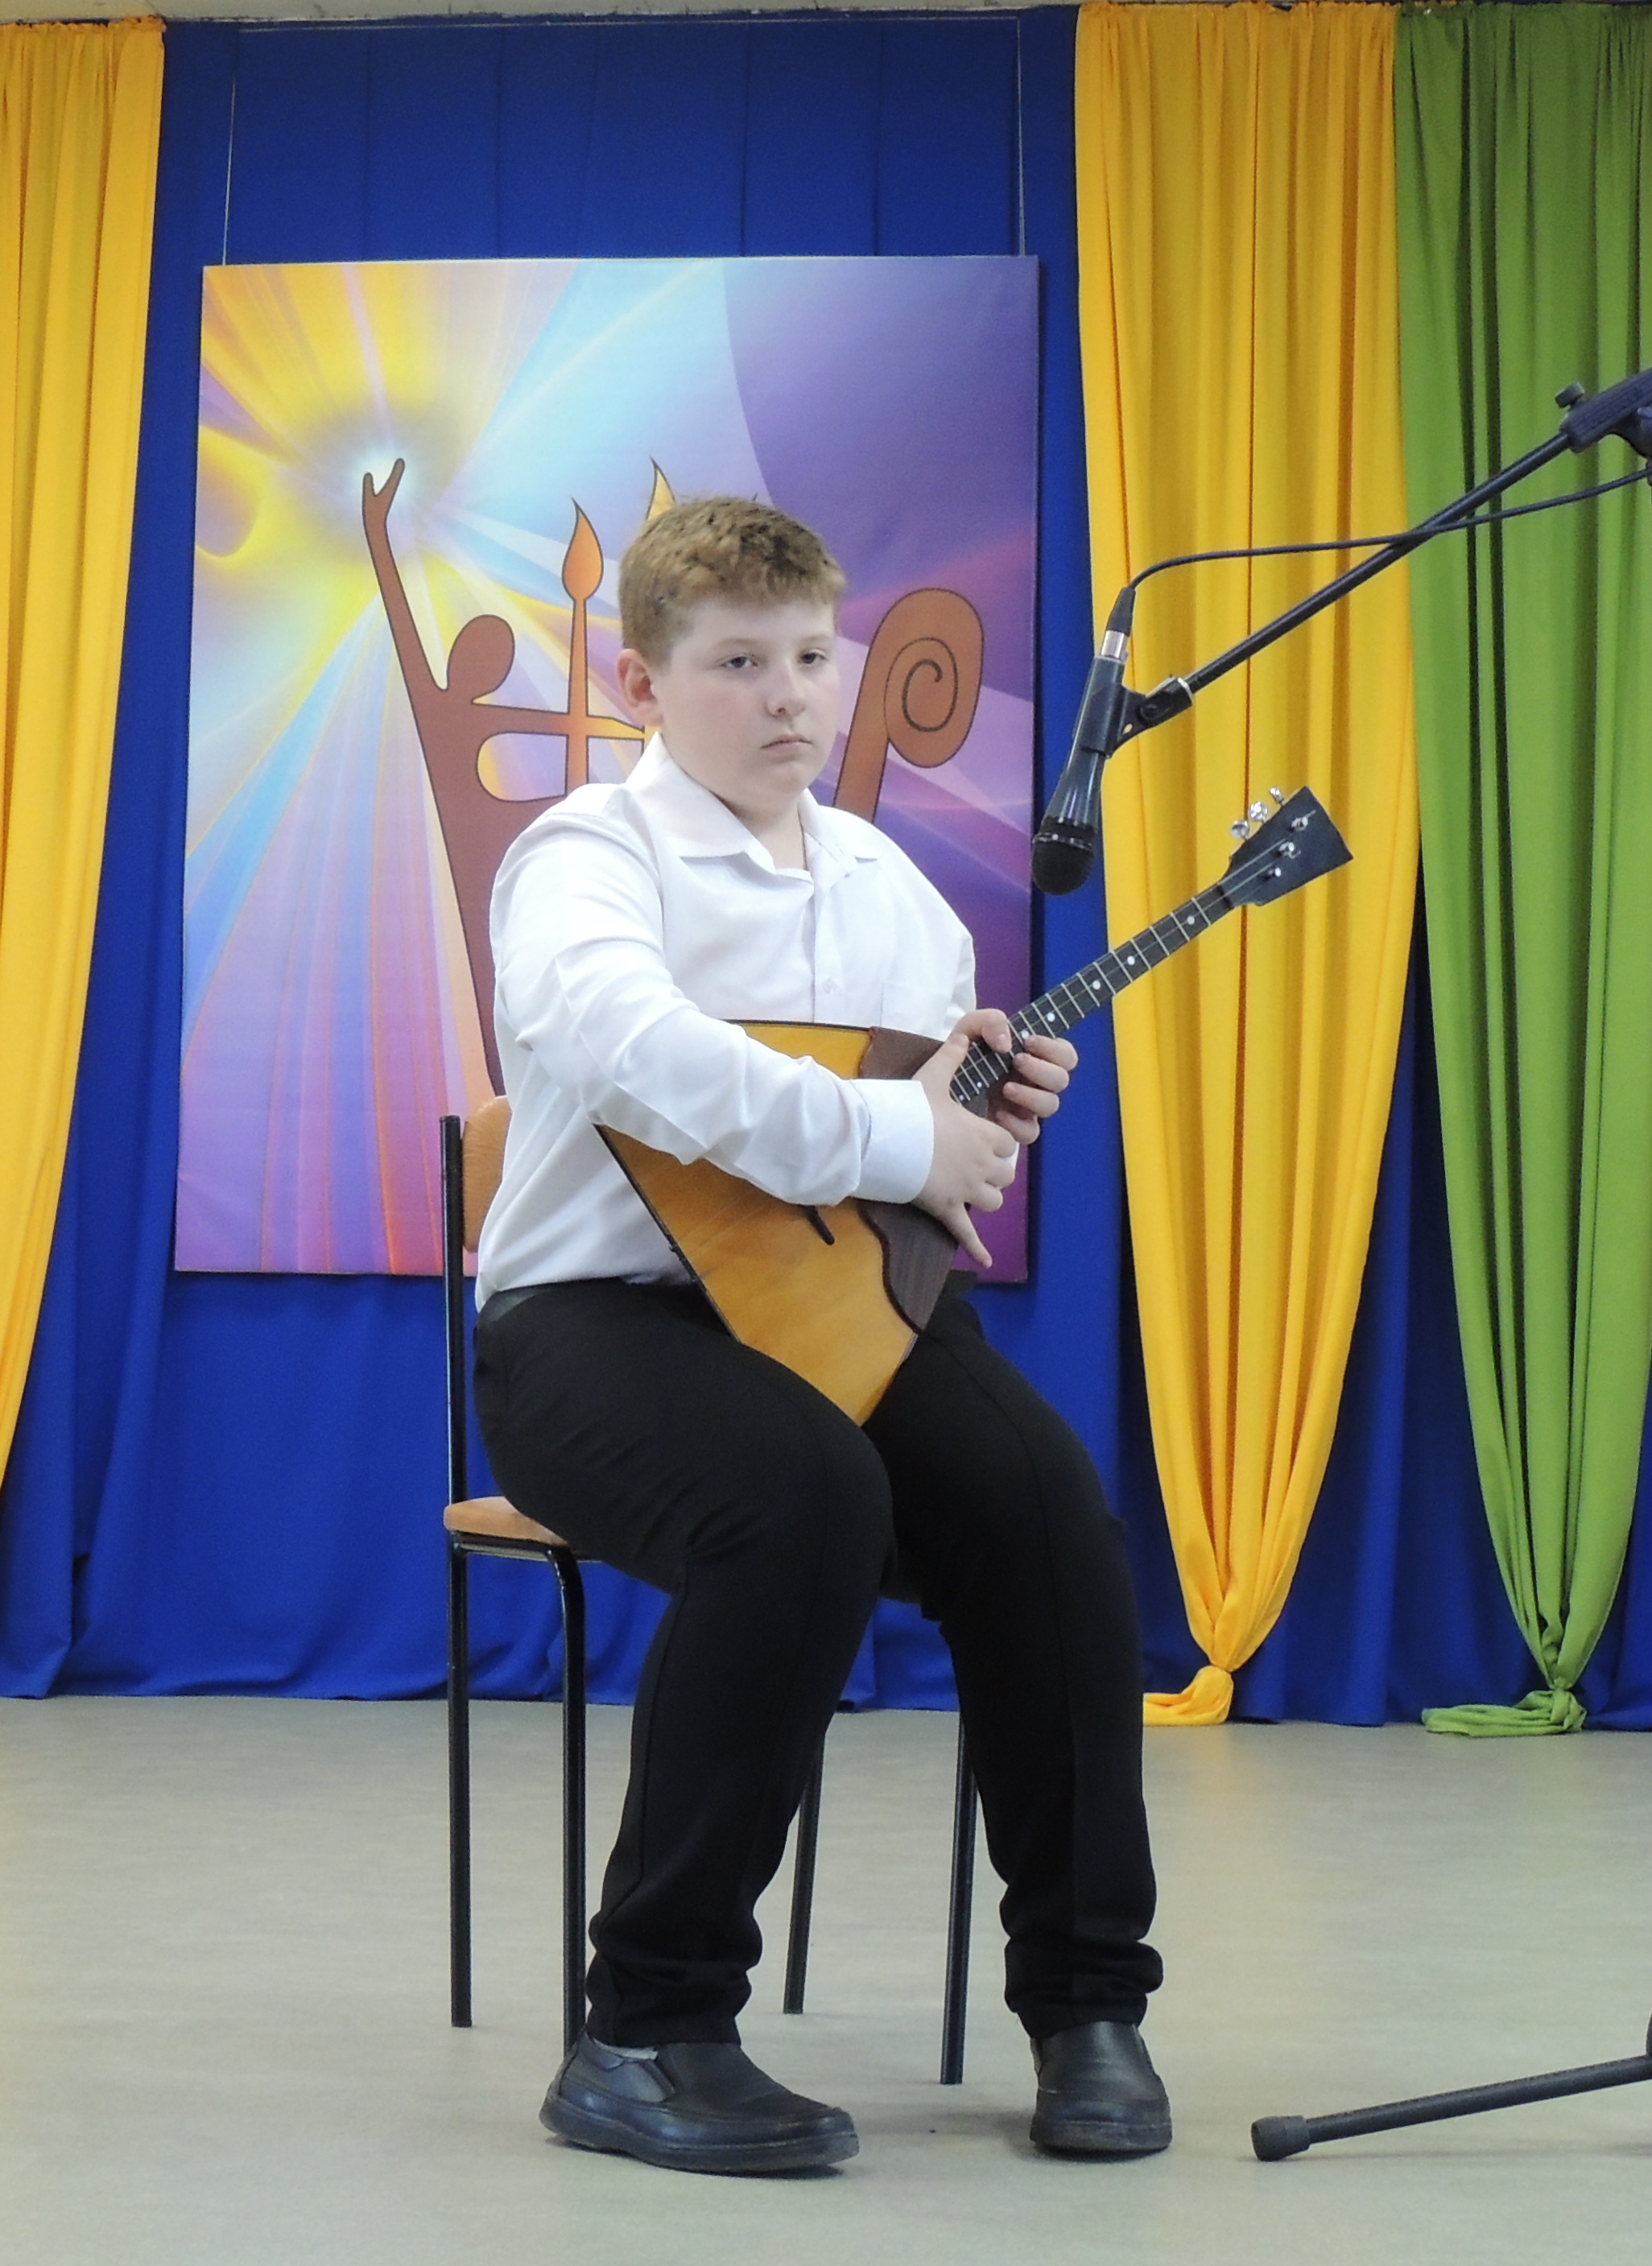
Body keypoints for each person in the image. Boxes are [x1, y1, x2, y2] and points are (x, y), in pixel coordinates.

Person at [473, 493, 1167, 2177]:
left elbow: (924, 1152)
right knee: (799, 1502)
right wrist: (891, 1135)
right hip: (590, 1327)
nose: (786, 696)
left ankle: (1087, 2005)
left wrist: (983, 1119)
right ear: (641, 684)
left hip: (837, 1305)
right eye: (736, 665)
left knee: (1048, 1515)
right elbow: (630, 1045)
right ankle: (645, 2030)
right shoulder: (583, 858)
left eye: (807, 657)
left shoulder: (889, 891)